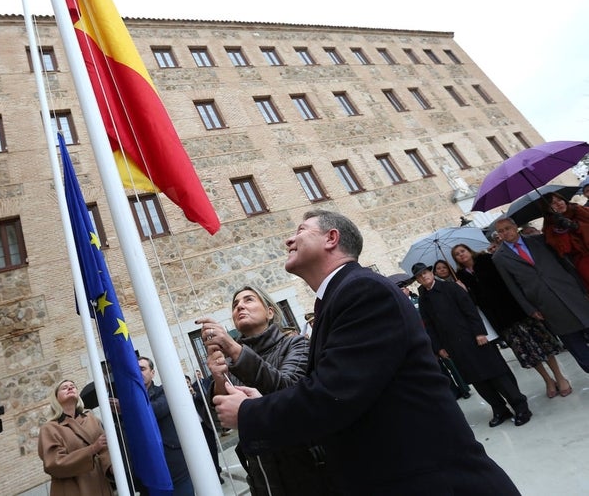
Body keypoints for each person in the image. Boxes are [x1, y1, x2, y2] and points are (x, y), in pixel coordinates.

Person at [213, 210, 520, 495]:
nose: (289, 240)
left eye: (301, 230)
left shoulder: (362, 291)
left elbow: (334, 394)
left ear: (331, 238)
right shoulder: (340, 296)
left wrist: (249, 413)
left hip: (430, 479)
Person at [197, 286, 332, 495]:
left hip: (306, 471)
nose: (240, 305)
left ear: (270, 312)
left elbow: (288, 389)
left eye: (249, 299)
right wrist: (217, 377)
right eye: (235, 305)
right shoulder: (232, 363)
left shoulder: (295, 344)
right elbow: (214, 422)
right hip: (262, 478)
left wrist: (233, 348)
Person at [414, 262, 532, 427]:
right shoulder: (424, 300)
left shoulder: (451, 288)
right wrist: (439, 347)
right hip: (454, 346)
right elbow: (429, 325)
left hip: (474, 338)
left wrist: (479, 332)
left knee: (496, 374)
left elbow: (470, 310)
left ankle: (520, 406)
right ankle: (499, 409)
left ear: (431, 273)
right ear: (418, 280)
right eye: (419, 276)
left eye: (425, 273)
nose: (423, 277)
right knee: (477, 380)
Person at [452, 243, 570, 398]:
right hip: (500, 319)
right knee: (526, 352)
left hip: (516, 309)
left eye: (462, 251)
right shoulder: (461, 276)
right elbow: (474, 302)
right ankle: (548, 380)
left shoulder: (487, 260)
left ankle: (559, 377)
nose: (461, 255)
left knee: (542, 344)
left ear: (469, 250)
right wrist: (464, 291)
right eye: (457, 254)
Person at [492, 216, 589, 374]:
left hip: (570, 291)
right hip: (545, 303)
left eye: (507, 228)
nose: (505, 233)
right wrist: (530, 309)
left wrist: (582, 288)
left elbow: (565, 263)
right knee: (573, 341)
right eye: (500, 231)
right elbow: (512, 286)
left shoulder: (539, 240)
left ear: (515, 226)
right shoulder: (499, 257)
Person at [37, 380, 112, 496]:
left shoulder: (91, 418)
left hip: (100, 483)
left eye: (73, 386)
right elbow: (54, 464)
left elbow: (104, 449)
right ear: (56, 399)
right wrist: (92, 449)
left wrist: (112, 468)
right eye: (64, 388)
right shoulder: (49, 428)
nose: (70, 388)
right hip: (72, 488)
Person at [137, 357, 193, 496]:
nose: (138, 372)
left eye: (142, 369)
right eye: (135, 369)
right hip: (148, 471)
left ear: (153, 373)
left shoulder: (164, 391)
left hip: (175, 466)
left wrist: (129, 408)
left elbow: (157, 410)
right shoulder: (127, 400)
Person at [540, 192, 589, 290]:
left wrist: (577, 226)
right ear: (548, 209)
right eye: (553, 203)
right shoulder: (550, 229)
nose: (559, 204)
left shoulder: (580, 210)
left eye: (559, 200)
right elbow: (565, 249)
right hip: (583, 261)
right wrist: (561, 230)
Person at [186, 373, 223, 485]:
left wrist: (194, 394)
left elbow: (206, 401)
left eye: (187, 383)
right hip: (193, 431)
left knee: (212, 450)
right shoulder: (180, 399)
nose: (186, 386)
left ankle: (217, 472)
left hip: (205, 426)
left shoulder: (197, 391)